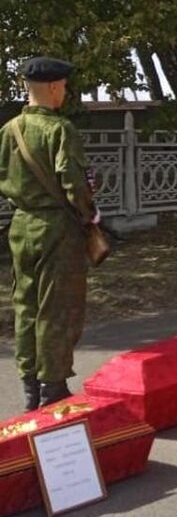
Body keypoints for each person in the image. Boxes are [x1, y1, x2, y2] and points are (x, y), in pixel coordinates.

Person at [0, 56, 98, 411]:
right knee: (58, 307)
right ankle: (53, 387)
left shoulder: (9, 130)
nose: (65, 92)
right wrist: (89, 216)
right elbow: (73, 184)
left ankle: (30, 388)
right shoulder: (60, 130)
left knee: (26, 306)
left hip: (21, 225)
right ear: (55, 87)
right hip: (57, 227)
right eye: (65, 87)